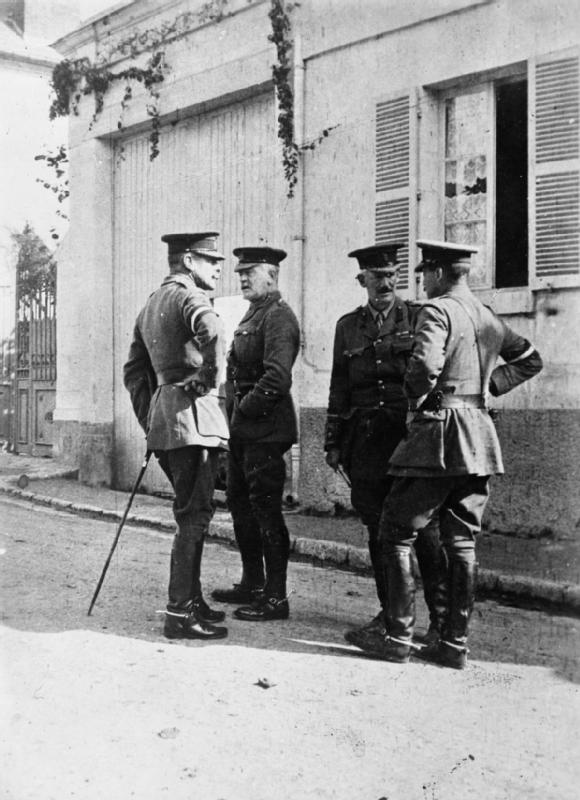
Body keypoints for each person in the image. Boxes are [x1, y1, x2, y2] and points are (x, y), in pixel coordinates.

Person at [352, 239, 543, 668]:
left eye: (424, 273)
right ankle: (454, 644)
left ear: (438, 273)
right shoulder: (487, 316)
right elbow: (530, 360)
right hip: (479, 439)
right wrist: (489, 386)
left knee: (394, 531)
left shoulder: (437, 311)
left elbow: (423, 366)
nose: (422, 280)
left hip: (439, 438)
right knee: (461, 541)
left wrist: (418, 402)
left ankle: (397, 636)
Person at [324, 242, 448, 650]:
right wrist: (332, 441)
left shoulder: (418, 316)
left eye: (392, 276)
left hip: (408, 438)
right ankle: (390, 614)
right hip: (364, 442)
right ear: (362, 280)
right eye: (377, 277)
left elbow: (436, 374)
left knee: (424, 528)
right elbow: (339, 385)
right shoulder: (348, 326)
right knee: (377, 530)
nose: (385, 284)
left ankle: (441, 621)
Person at [123, 232, 230, 641]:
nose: (217, 268)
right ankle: (180, 613)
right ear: (187, 261)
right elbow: (213, 331)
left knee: (191, 512)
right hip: (194, 421)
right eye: (209, 260)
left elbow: (134, 373)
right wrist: (207, 377)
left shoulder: (150, 304)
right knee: (194, 516)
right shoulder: (189, 297)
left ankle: (193, 600)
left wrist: (152, 417)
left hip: (167, 423)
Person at [211, 246, 300, 621]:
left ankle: (276, 596)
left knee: (266, 510)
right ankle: (252, 582)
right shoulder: (254, 312)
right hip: (244, 429)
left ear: (272, 275)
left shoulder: (279, 316)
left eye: (250, 272)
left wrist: (243, 411)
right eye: (241, 272)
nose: (243, 278)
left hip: (265, 429)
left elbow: (277, 377)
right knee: (239, 503)